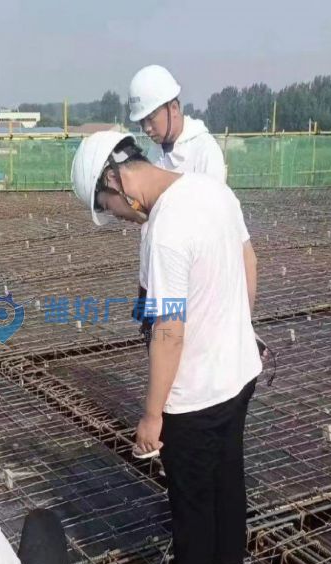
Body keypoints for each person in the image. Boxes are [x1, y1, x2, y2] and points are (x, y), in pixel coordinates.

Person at [71, 133, 262, 564]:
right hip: (239, 373)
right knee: (228, 483)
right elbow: (249, 262)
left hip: (194, 395)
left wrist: (152, 414)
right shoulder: (212, 190)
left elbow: (169, 330)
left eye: (108, 206)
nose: (116, 216)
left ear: (115, 180)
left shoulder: (165, 229)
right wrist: (237, 332)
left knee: (192, 508)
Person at [127, 66, 250, 352]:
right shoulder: (156, 154)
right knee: (163, 349)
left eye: (151, 118)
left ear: (173, 107)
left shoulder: (204, 151)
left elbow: (212, 227)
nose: (147, 128)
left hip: (194, 280)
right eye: (141, 121)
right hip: (160, 277)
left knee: (187, 354)